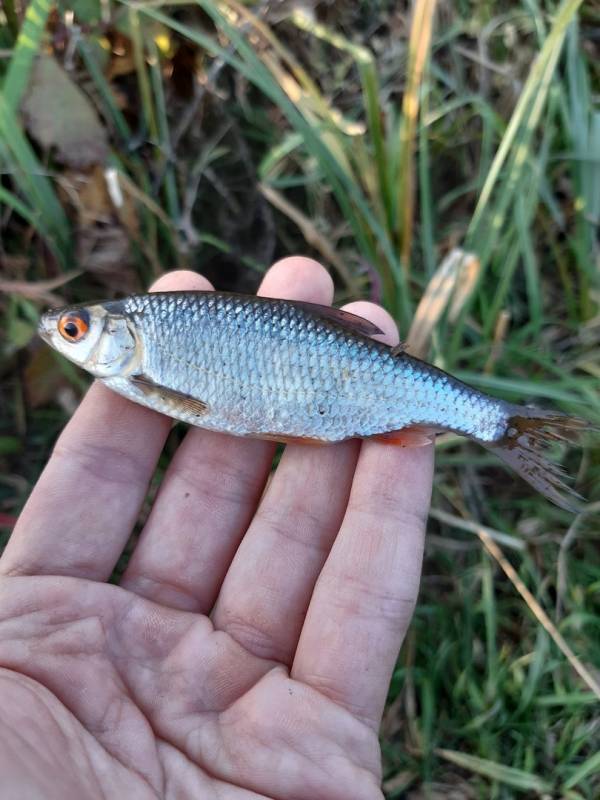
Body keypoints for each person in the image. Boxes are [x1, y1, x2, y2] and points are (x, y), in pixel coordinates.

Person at [0, 257, 433, 799]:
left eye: (73, 330)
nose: (60, 335)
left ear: (119, 333)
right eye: (72, 330)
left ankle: (501, 424)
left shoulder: (146, 353)